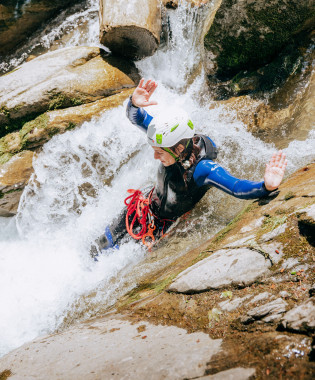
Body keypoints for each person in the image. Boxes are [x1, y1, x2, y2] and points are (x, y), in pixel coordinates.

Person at [95, 79, 287, 252]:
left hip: (163, 225)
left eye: (160, 153)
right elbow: (136, 117)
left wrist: (265, 186)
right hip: (145, 205)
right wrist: (134, 103)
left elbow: (236, 187)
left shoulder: (203, 170)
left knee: (122, 256)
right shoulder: (164, 137)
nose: (155, 156)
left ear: (178, 149)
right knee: (101, 245)